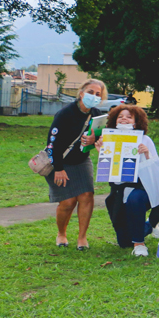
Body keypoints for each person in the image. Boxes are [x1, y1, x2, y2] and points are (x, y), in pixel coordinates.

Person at [44, 79, 106, 250]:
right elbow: (52, 144)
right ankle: (61, 234)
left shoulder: (97, 114)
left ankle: (82, 238)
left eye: (98, 94)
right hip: (59, 161)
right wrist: (58, 169)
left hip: (81, 160)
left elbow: (100, 139)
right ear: (81, 93)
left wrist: (94, 140)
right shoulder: (65, 114)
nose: (94, 96)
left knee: (87, 196)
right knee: (68, 202)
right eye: (91, 92)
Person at [100, 104, 159, 257]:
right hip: (121, 189)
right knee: (124, 242)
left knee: (134, 199)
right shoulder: (109, 140)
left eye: (129, 117)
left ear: (136, 122)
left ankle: (139, 244)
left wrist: (147, 154)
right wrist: (102, 152)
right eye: (120, 116)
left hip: (144, 189)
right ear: (115, 121)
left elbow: (156, 171)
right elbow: (113, 178)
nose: (124, 119)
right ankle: (149, 227)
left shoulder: (145, 140)